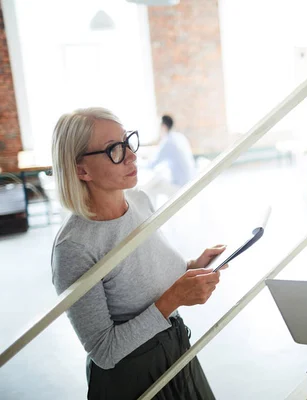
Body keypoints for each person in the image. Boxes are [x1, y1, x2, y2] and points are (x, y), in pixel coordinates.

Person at [51, 107, 225, 400]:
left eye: (127, 142)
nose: (131, 155)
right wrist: (175, 299)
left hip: (177, 351)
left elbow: (149, 276)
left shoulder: (140, 201)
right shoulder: (74, 248)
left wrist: (193, 266)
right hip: (130, 377)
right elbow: (104, 351)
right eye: (113, 150)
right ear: (81, 170)